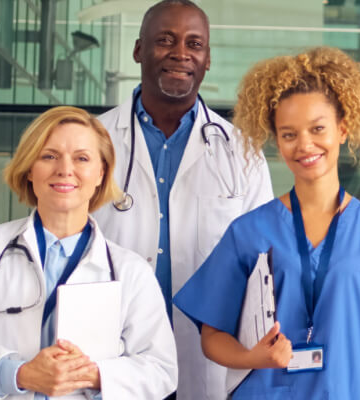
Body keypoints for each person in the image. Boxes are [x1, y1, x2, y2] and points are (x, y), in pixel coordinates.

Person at [171, 46, 360, 400]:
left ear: (342, 130)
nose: (305, 145)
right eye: (289, 134)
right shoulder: (249, 232)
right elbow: (212, 337)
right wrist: (252, 357)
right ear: (277, 142)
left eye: (318, 129)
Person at [86, 1, 273, 399]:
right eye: (165, 41)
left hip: (207, 354)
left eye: (194, 44)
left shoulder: (243, 154)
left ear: (207, 59)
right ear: (138, 50)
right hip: (113, 352)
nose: (180, 54)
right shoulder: (91, 141)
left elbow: (263, 265)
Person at [0, 107, 178, 400]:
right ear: (29, 169)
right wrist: (20, 374)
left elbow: (161, 371)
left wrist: (93, 375)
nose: (65, 169)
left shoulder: (130, 271)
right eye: (49, 156)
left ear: (101, 173)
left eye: (82, 158)